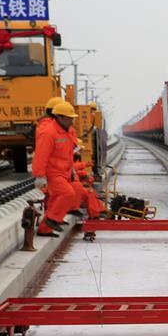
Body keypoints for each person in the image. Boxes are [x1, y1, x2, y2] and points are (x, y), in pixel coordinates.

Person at [32, 101, 80, 237]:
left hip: (64, 171)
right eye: (69, 118)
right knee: (67, 193)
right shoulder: (49, 133)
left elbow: (68, 154)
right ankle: (52, 219)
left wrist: (72, 170)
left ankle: (44, 229)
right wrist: (39, 176)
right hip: (53, 172)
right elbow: (41, 155)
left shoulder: (65, 132)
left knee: (56, 199)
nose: (71, 120)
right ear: (59, 117)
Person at [71, 141, 104, 218]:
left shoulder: (75, 159)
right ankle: (95, 215)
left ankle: (100, 211)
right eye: (79, 150)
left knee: (91, 192)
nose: (80, 153)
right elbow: (72, 168)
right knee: (89, 193)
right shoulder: (67, 160)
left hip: (75, 186)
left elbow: (75, 171)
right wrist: (85, 166)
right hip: (72, 188)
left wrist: (87, 178)